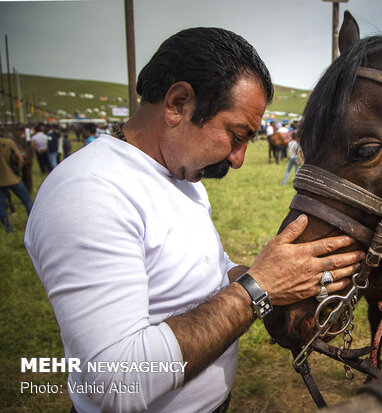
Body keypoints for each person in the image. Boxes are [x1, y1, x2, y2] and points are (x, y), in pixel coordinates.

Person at [24, 27, 363, 413]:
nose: (237, 159)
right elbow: (114, 383)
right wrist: (260, 288)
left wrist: (288, 293)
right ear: (178, 103)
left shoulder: (180, 176)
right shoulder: (89, 192)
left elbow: (209, 277)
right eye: (236, 135)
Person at [0, 136, 33, 232]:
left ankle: (8, 227)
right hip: (13, 178)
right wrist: (18, 171)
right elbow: (20, 157)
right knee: (27, 201)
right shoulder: (8, 142)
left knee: (1, 206)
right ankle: (33, 225)